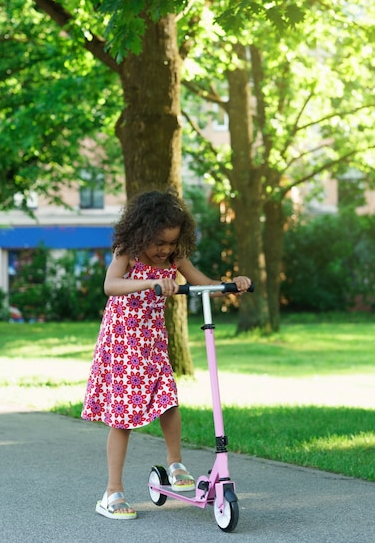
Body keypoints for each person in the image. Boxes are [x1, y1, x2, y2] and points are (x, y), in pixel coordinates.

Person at [81, 188, 251, 520]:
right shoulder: (127, 252)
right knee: (123, 416)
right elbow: (111, 285)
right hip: (122, 342)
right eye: (159, 242)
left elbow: (203, 284)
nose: (165, 250)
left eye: (172, 243)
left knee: (168, 399)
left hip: (153, 340)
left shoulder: (174, 259)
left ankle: (176, 464)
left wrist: (233, 284)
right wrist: (149, 284)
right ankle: (112, 492)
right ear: (141, 233)